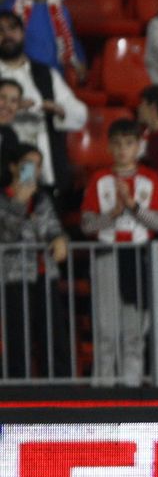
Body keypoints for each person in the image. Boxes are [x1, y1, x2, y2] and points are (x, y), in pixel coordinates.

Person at [80, 119, 158, 385]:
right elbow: (86, 224)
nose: (122, 150)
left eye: (129, 144)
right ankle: (103, 385)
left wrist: (133, 206)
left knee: (134, 328)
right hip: (107, 254)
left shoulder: (150, 179)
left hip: (138, 256)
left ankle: (132, 386)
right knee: (106, 326)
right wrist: (114, 213)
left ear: (139, 147)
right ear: (108, 147)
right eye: (116, 144)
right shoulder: (99, 179)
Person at [0, 143, 70, 378]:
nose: (33, 170)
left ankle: (58, 385)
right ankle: (18, 386)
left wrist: (60, 239)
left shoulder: (42, 199)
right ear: (12, 167)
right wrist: (18, 203)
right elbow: (6, 235)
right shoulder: (3, 198)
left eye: (37, 165)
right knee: (18, 335)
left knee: (53, 332)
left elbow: (53, 227)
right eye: (27, 165)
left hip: (44, 273)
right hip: (13, 276)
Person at [0, 8, 85, 193]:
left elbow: (79, 113)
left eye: (12, 29)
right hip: (4, 161)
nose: (7, 35)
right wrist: (10, 108)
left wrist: (56, 109)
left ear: (22, 33)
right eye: (1, 31)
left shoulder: (45, 74)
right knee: (15, 208)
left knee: (35, 207)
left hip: (40, 160)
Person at [1, 0, 83, 82]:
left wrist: (80, 64)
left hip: (54, 78)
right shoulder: (10, 6)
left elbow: (71, 42)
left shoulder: (61, 10)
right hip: (18, 76)